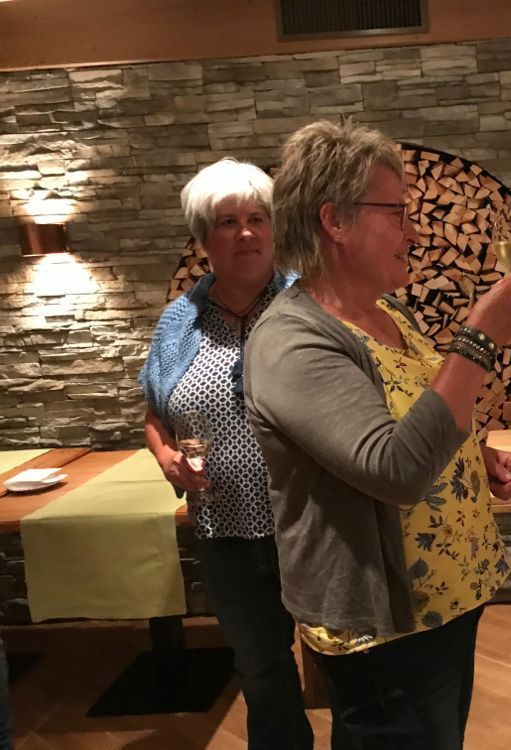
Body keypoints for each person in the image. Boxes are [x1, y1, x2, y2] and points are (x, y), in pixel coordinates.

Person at [243, 118, 511, 750]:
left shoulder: (387, 312)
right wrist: (478, 341)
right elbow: (393, 469)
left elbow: (412, 412)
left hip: (447, 602)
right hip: (387, 630)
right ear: (335, 220)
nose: (415, 231)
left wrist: (475, 454)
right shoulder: (291, 341)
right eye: (396, 213)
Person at [139, 158, 312, 750]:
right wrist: (166, 458)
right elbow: (154, 415)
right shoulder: (178, 324)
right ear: (203, 238)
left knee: (349, 663)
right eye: (227, 222)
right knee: (262, 672)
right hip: (226, 532)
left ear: (275, 229)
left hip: (315, 525)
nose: (245, 233)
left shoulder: (310, 305)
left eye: (258, 218)